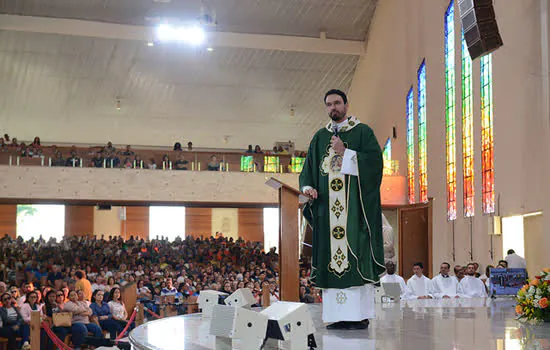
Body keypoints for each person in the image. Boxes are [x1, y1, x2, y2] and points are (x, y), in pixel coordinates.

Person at [299, 89, 385, 330]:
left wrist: (345, 153)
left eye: (337, 103)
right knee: (331, 261)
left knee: (355, 257)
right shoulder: (319, 137)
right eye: (329, 104)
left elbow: (376, 164)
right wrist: (308, 187)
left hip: (354, 213)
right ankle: (336, 316)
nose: (333, 108)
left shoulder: (363, 132)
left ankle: (359, 315)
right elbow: (308, 170)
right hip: (328, 215)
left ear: (346, 105)